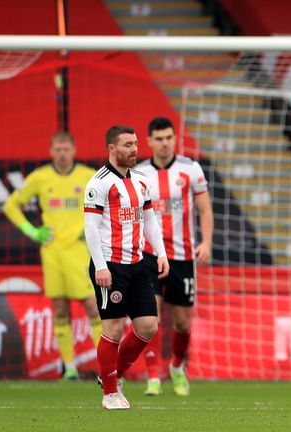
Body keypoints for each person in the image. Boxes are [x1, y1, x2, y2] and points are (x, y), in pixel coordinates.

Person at [83, 125, 170, 410]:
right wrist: (100, 266)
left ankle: (112, 375)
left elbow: (150, 220)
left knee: (148, 327)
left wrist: (160, 253)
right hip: (111, 267)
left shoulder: (142, 181)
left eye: (135, 144)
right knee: (113, 329)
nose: (134, 149)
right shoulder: (99, 183)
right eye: (127, 145)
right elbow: (91, 229)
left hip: (138, 264)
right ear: (111, 149)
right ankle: (110, 393)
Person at [3, 132, 102, 380]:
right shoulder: (40, 177)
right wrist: (31, 231)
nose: (62, 153)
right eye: (57, 149)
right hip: (53, 251)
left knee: (92, 306)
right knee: (59, 307)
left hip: (80, 252)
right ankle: (69, 368)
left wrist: (90, 227)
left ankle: (105, 365)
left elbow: (108, 205)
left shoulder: (88, 176)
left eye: (66, 149)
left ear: (74, 150)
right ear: (51, 152)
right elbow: (10, 205)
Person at [136, 117, 213, 396]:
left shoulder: (190, 169)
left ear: (174, 138)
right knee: (149, 318)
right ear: (149, 141)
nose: (165, 143)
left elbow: (205, 209)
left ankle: (178, 368)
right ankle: (153, 376)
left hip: (183, 256)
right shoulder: (139, 173)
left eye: (169, 137)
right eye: (159, 138)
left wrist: (206, 242)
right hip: (150, 255)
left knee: (182, 322)